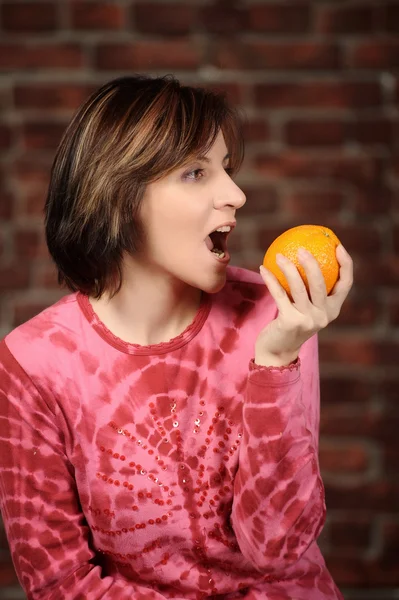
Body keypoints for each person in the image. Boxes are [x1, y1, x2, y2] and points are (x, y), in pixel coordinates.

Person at [0, 75, 353, 600]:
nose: (236, 194)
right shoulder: (36, 361)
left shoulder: (275, 318)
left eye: (227, 169)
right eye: (195, 172)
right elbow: (60, 582)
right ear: (117, 195)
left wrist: (278, 359)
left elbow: (278, 548)